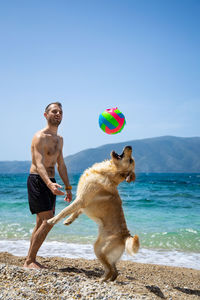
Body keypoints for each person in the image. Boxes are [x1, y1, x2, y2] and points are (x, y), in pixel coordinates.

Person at [24, 102, 72, 269]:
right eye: (54, 111)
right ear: (46, 115)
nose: (58, 114)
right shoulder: (39, 137)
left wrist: (68, 187)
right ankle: (30, 261)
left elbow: (61, 165)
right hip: (38, 180)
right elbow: (38, 164)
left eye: (60, 112)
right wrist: (49, 184)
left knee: (40, 223)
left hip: (51, 183)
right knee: (49, 220)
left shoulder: (60, 140)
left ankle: (30, 260)